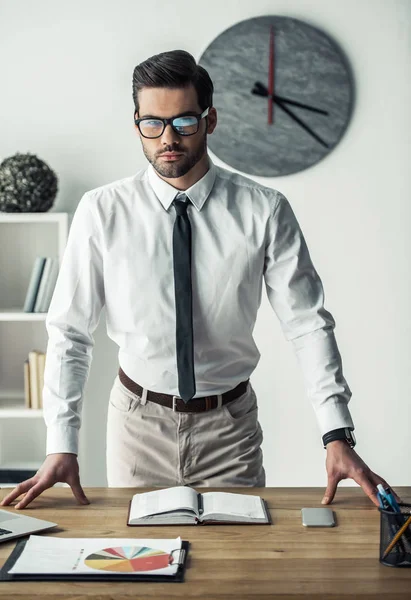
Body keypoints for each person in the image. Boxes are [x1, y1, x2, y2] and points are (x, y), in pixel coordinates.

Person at [1, 50, 401, 511]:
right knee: (144, 568)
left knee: (239, 574)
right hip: (136, 427)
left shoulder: (264, 210)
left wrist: (336, 433)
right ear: (137, 125)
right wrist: (60, 443)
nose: (167, 138)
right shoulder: (101, 211)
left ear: (210, 120)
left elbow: (308, 324)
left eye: (184, 122)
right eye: (152, 123)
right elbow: (70, 332)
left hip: (229, 429)